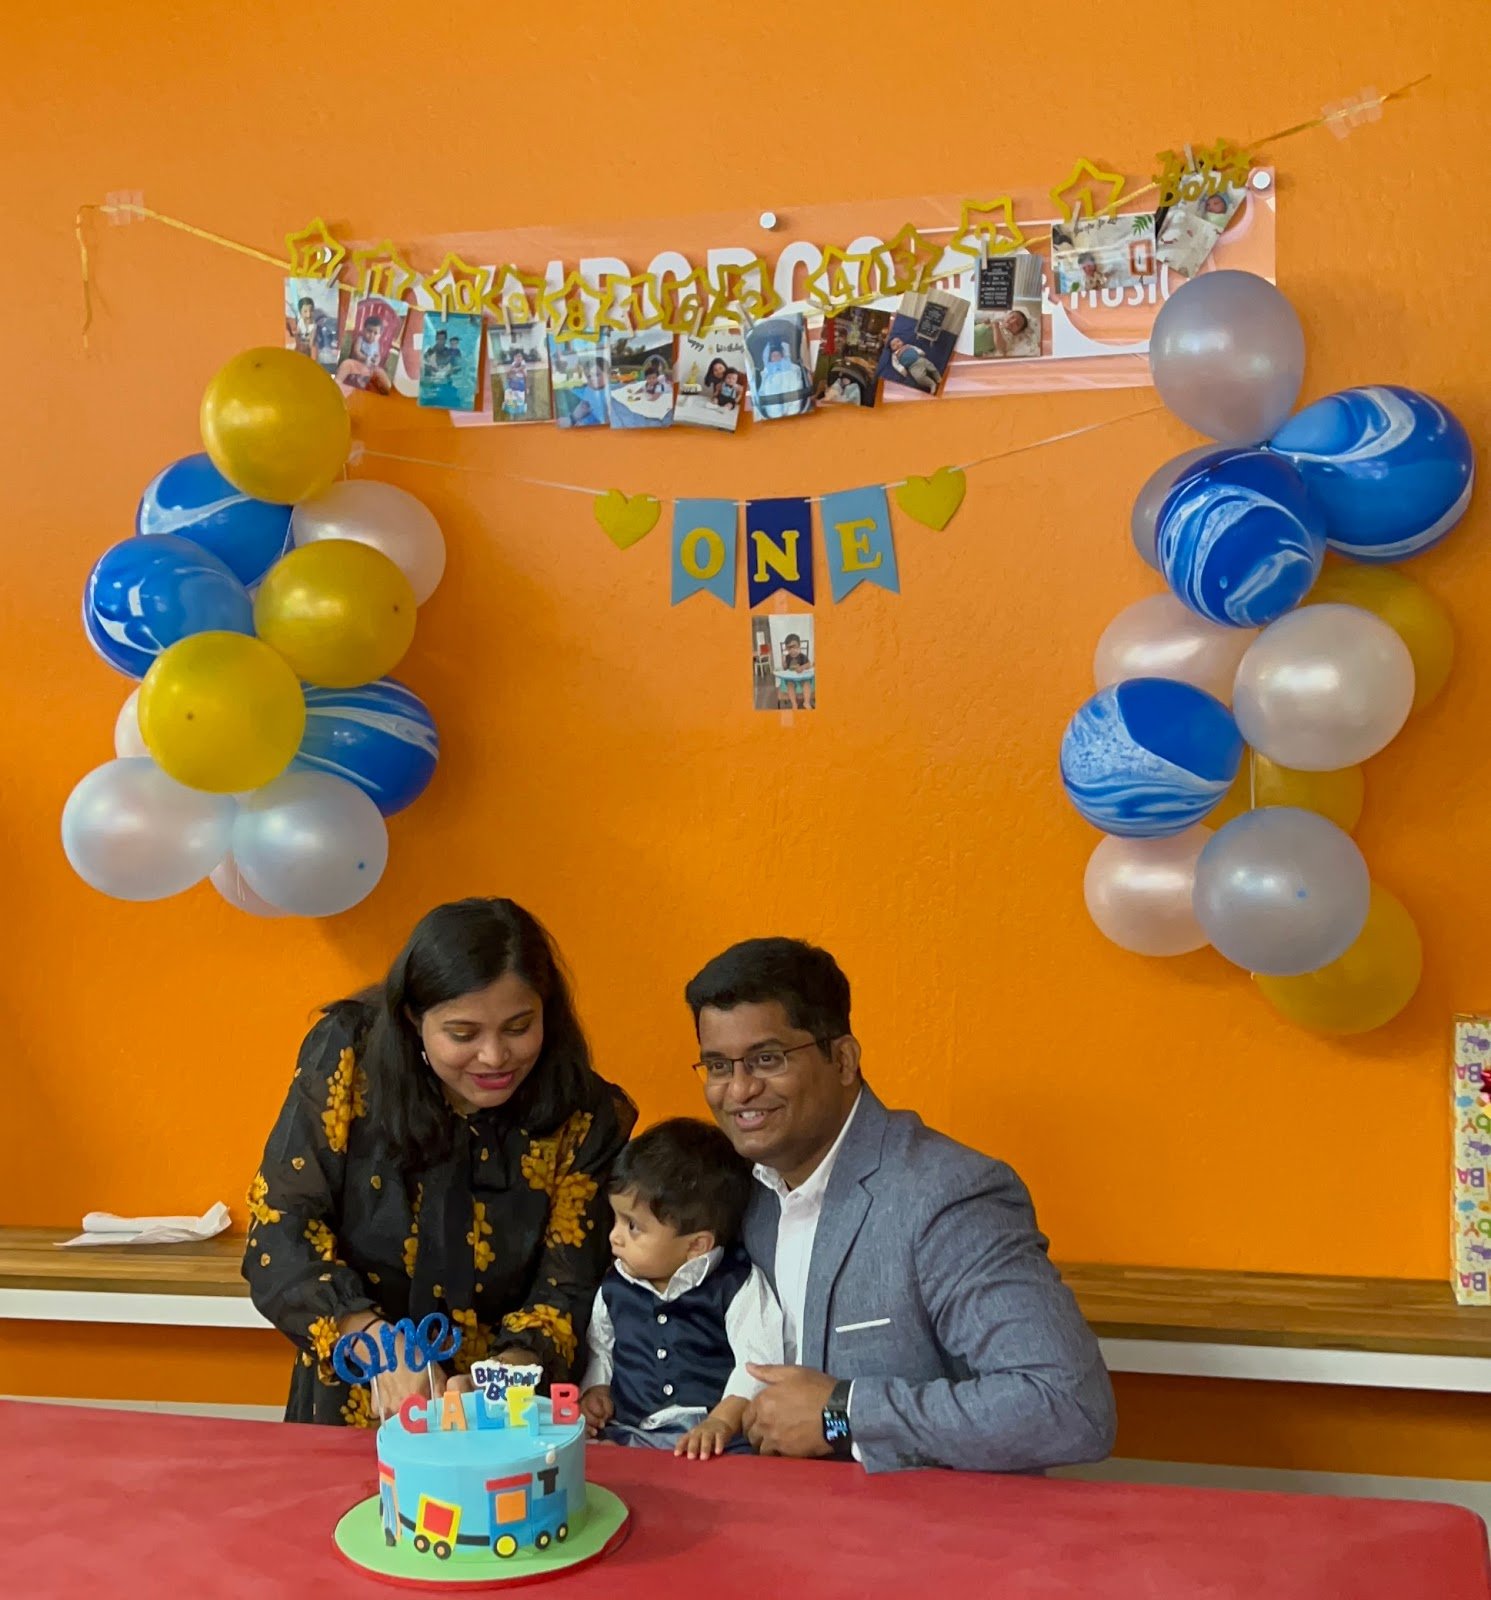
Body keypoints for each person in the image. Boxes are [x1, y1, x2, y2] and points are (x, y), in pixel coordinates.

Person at [683, 937, 1116, 1474]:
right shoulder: (736, 1193)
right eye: (718, 1066)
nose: (738, 1090)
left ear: (843, 1059)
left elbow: (1068, 1407)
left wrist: (843, 1415)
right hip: (767, 1509)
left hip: (929, 1524)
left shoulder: (944, 1195)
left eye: (766, 1059)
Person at [244, 898, 636, 1427]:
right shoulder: (351, 1058)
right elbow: (280, 1229)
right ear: (413, 1020)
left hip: (501, 1417)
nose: (494, 1057)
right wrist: (376, 1343)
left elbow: (567, 1287)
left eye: (518, 1027)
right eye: (463, 1034)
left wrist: (503, 1376)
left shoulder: (583, 1114)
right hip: (356, 1401)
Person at [579, 1119, 783, 1458]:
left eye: (633, 1226)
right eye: (616, 1219)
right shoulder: (615, 1287)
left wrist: (721, 1421)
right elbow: (600, 1347)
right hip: (632, 1432)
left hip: (716, 1439)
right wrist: (597, 1389)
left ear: (696, 1245)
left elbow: (758, 1363)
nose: (614, 1236)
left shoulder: (736, 1285)